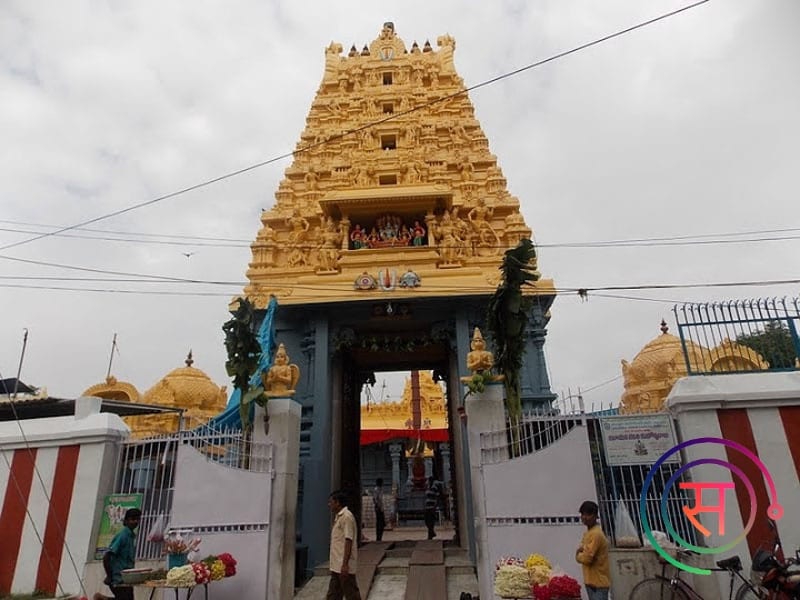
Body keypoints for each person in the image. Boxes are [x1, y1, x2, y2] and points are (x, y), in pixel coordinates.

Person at [94, 507, 141, 600]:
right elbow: (107, 556)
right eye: (132, 519)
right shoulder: (123, 536)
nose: (135, 522)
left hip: (127, 578)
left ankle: (103, 598)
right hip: (118, 579)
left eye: (137, 519)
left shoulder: (131, 536)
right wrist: (109, 576)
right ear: (126, 521)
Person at [327, 491, 361, 600]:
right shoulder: (339, 517)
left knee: (351, 594)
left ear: (337, 503)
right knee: (333, 595)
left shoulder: (346, 517)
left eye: (331, 502)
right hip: (336, 565)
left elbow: (348, 540)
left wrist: (345, 564)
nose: (329, 505)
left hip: (343, 565)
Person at [575, 500, 611, 600]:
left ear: (595, 516)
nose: (585, 517)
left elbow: (587, 558)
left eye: (588, 514)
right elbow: (583, 552)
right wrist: (580, 554)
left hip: (598, 584)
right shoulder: (588, 533)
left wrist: (578, 555)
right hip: (591, 583)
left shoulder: (596, 534)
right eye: (582, 514)